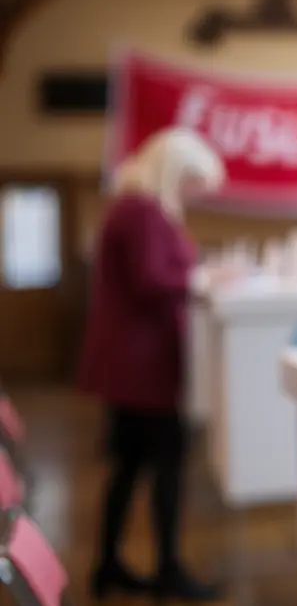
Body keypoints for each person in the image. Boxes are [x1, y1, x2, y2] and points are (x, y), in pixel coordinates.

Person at [77, 127, 226, 602]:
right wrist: (203, 276)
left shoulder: (134, 206)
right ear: (174, 171)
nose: (190, 195)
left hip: (133, 360)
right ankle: (168, 569)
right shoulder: (142, 210)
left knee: (130, 463)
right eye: (189, 184)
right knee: (167, 461)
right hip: (142, 362)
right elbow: (150, 280)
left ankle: (109, 563)